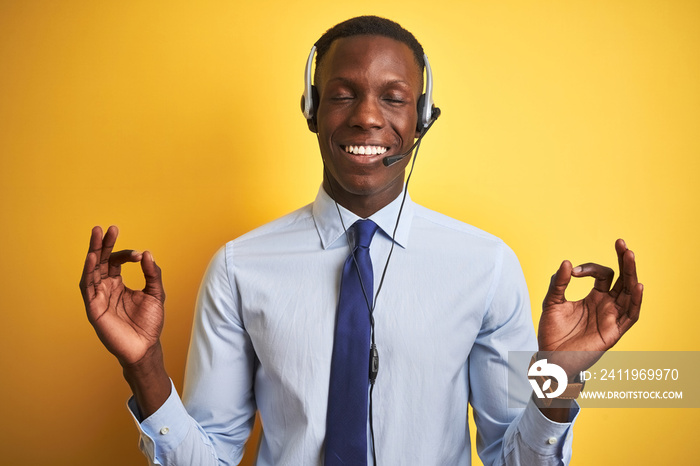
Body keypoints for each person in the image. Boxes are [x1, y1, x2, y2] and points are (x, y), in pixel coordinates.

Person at [79, 16, 643, 466]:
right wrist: (145, 366)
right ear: (312, 110)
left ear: (422, 118)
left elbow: (514, 463)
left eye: (394, 98)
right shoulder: (238, 267)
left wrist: (560, 380)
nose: (368, 118)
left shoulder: (487, 266)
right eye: (343, 95)